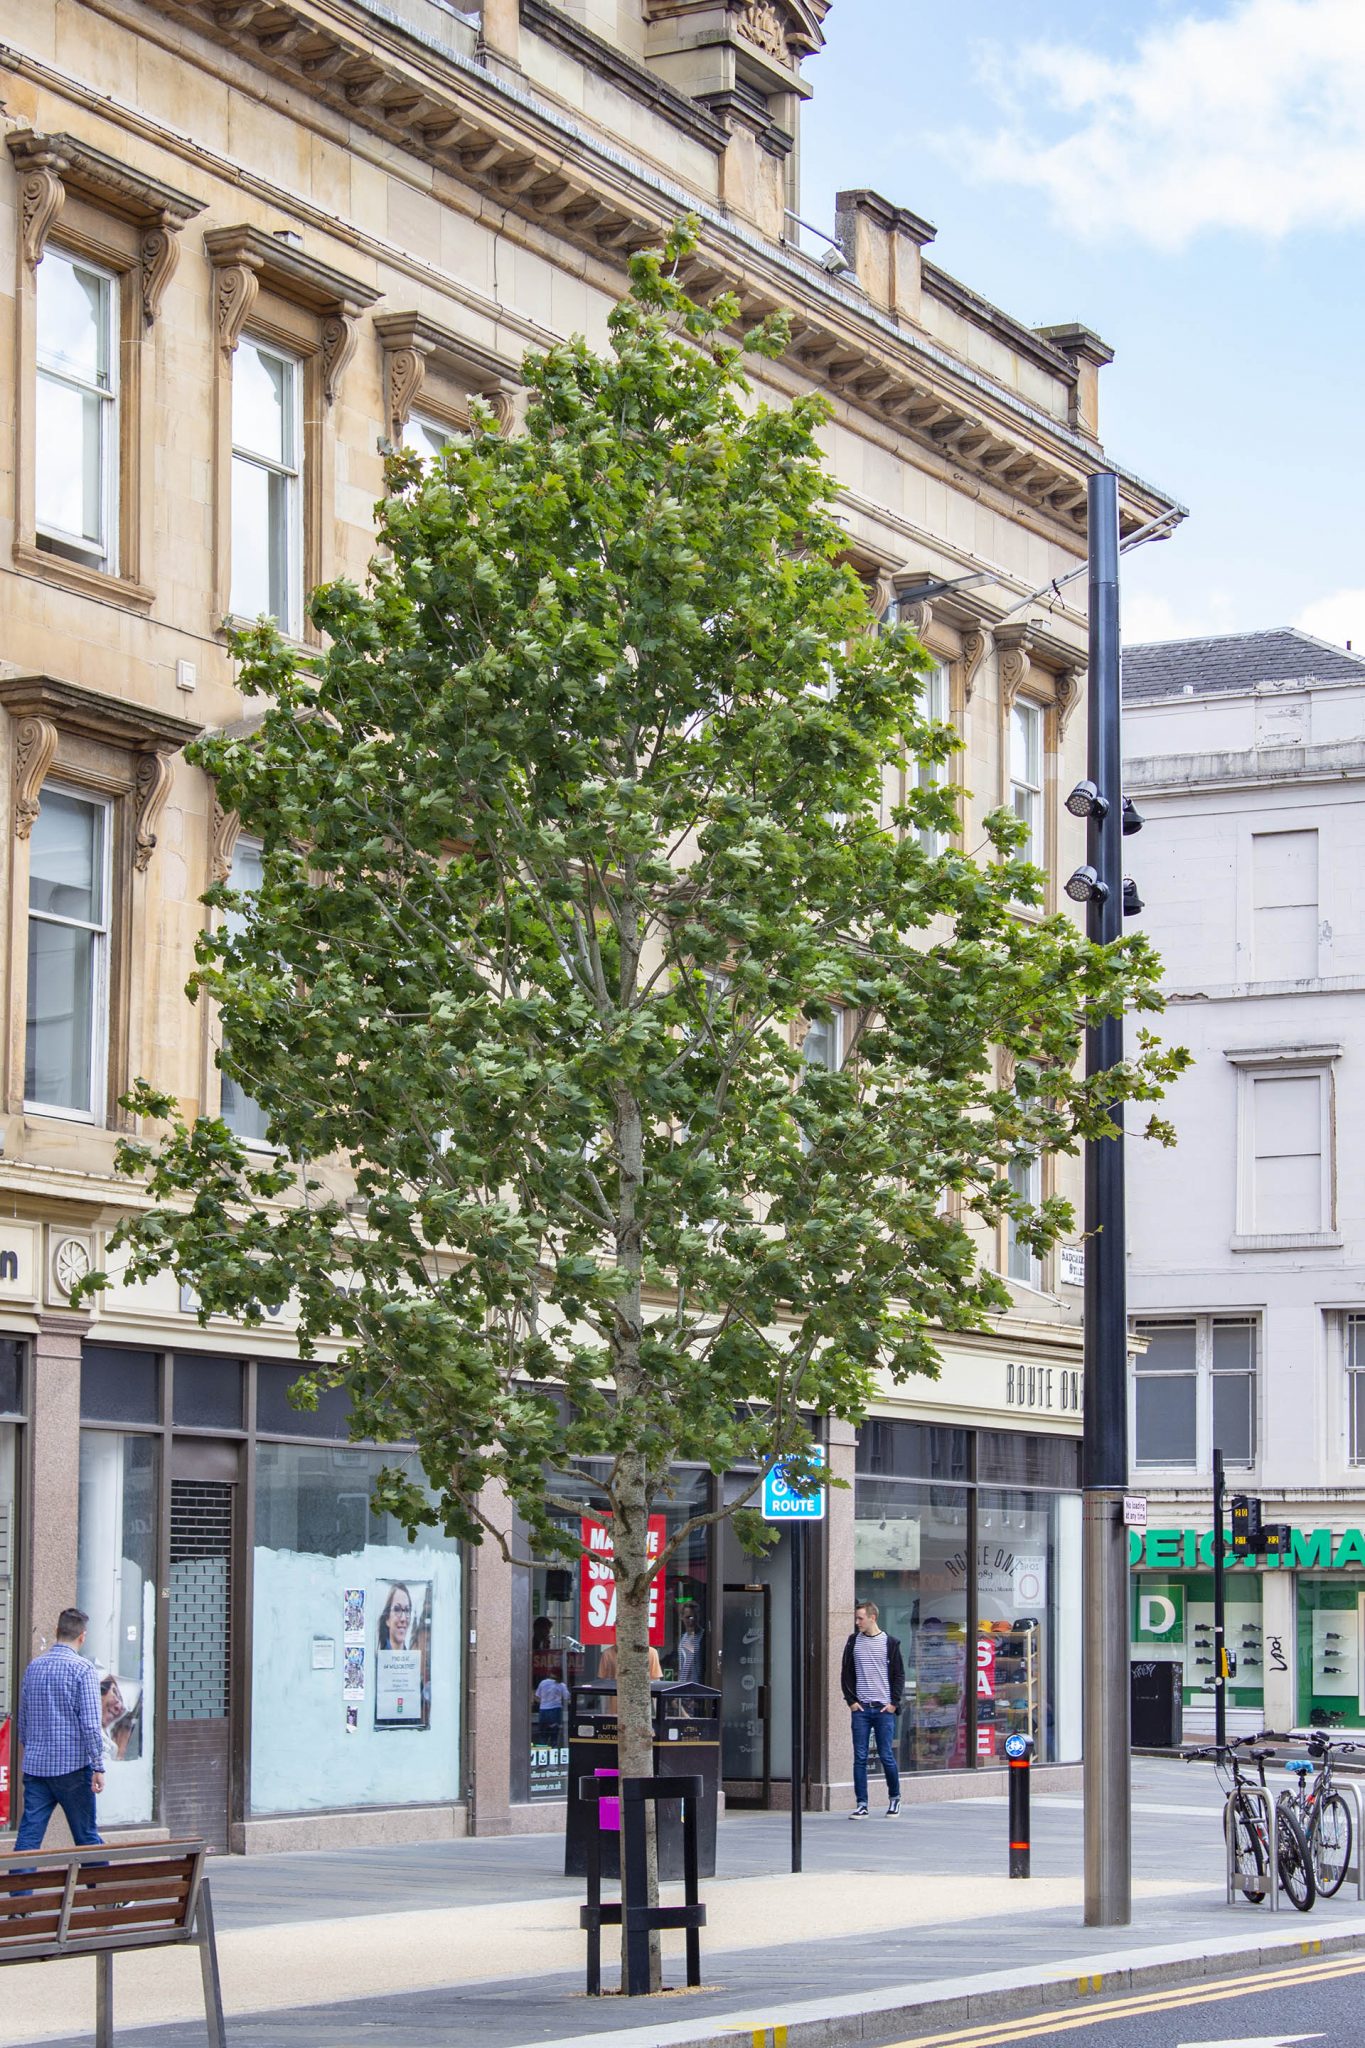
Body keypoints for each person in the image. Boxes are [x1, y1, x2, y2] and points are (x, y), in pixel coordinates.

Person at [14, 1607, 104, 1849]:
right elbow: (91, 1725)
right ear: (82, 1636)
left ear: (57, 1631)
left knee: (28, 1838)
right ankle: (99, 1876)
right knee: (87, 1838)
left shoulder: (34, 1667)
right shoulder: (83, 1669)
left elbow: (23, 1721)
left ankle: (21, 1876)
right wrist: (98, 1765)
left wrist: (32, 1750)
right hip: (73, 1768)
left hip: (36, 1768)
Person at [841, 1600, 904, 1818]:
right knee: (860, 1757)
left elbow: (899, 1675)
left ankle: (894, 1798)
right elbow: (846, 1673)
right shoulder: (853, 1642)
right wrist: (851, 1701)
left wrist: (893, 1703)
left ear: (872, 1618)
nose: (857, 1622)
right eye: (856, 1618)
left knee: (886, 1755)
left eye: (860, 1618)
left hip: (883, 1709)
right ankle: (862, 1804)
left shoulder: (890, 1643)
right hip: (861, 1709)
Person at [534, 1672, 570, 1743]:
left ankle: (543, 1747)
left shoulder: (543, 1683)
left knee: (543, 1734)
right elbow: (567, 1697)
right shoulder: (561, 1685)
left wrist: (543, 1702)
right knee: (554, 1734)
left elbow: (537, 1697)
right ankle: (553, 1747)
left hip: (543, 1710)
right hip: (555, 1710)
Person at [378, 1583, 413, 1651]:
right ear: (387, 1618)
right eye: (397, 1609)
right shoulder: (376, 1656)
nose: (403, 1618)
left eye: (407, 1610)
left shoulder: (412, 1657)